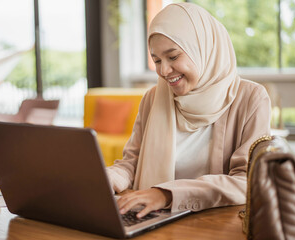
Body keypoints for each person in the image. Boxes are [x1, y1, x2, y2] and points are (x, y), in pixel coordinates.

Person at [106, 2, 271, 219]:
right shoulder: (153, 99)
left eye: (173, 57)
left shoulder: (251, 99)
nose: (164, 71)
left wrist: (166, 194)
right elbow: (131, 163)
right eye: (157, 60)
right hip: (149, 219)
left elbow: (247, 180)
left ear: (203, 49)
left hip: (216, 224)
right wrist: (104, 178)